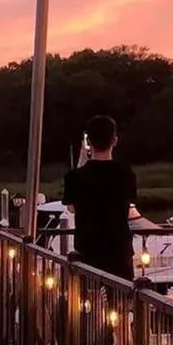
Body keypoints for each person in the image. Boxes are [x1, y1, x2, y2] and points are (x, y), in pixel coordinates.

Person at [61, 115, 137, 281]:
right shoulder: (125, 173)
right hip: (119, 249)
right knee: (121, 301)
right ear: (114, 140)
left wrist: (82, 160)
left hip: (87, 249)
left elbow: (71, 207)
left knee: (87, 301)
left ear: (90, 142)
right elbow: (129, 202)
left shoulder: (74, 177)